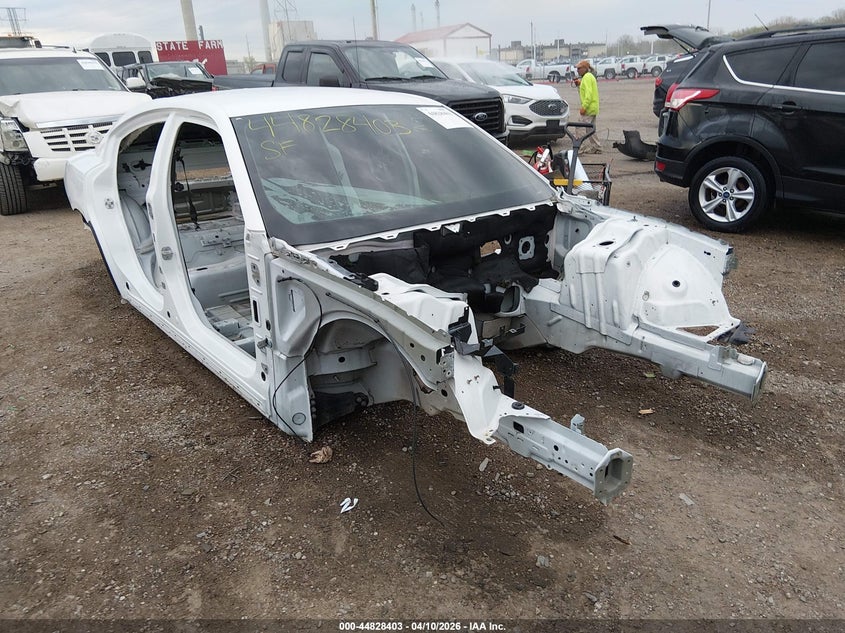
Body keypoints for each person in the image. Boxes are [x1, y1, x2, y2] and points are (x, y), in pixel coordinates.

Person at [573, 59, 601, 154]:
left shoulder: (587, 77)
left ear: (585, 68)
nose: (577, 70)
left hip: (588, 108)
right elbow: (586, 90)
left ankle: (580, 148)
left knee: (579, 127)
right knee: (590, 129)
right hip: (593, 107)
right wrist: (579, 85)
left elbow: (588, 95)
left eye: (579, 68)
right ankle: (596, 147)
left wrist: (584, 107)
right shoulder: (588, 77)